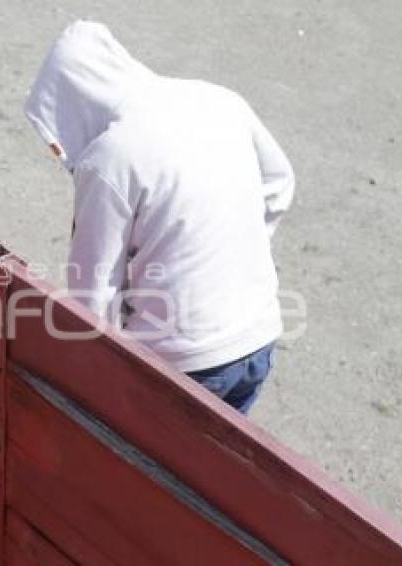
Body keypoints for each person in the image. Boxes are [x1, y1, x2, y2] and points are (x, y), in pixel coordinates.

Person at [25, 21, 294, 413]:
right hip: (258, 336)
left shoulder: (111, 157)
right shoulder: (219, 100)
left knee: (153, 470)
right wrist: (227, 254)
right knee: (217, 468)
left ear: (73, 103)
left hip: (184, 361)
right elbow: (279, 182)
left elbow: (94, 292)